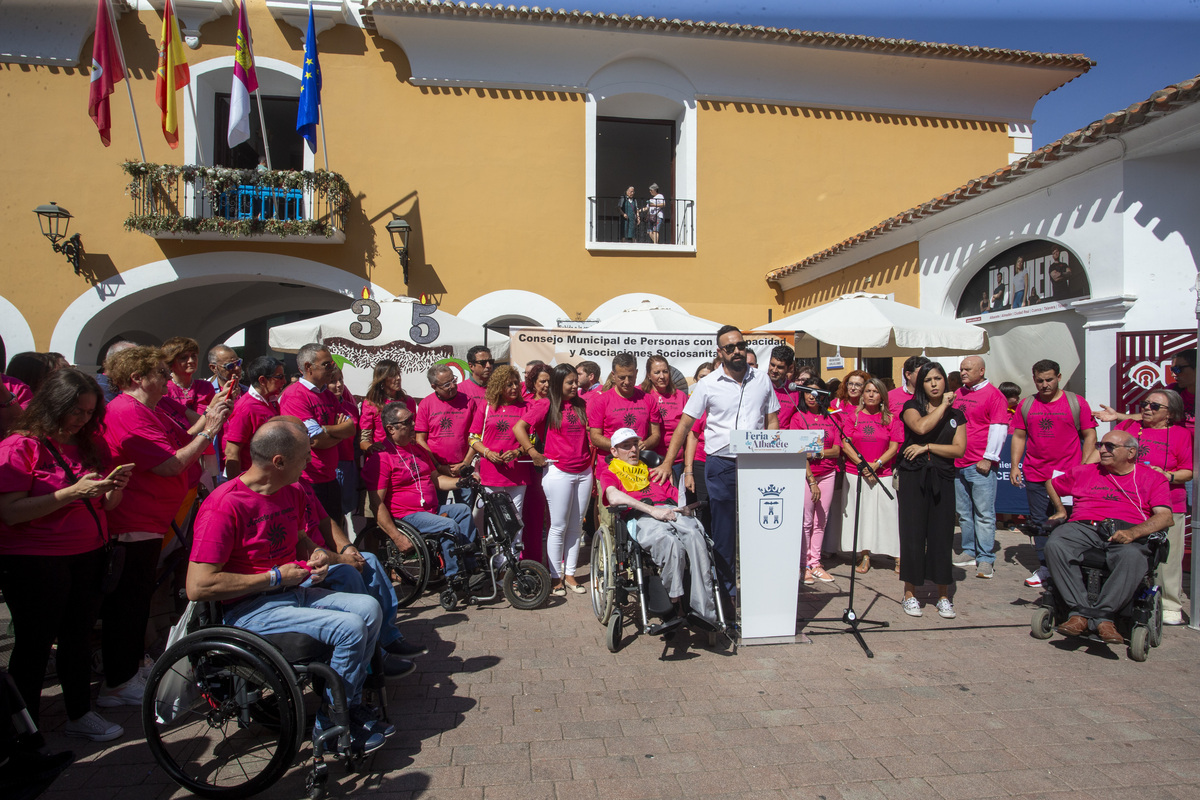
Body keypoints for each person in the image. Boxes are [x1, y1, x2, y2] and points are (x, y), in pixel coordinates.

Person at [187, 419, 390, 753]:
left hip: (292, 595)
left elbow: (300, 542)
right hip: (248, 610)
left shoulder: (291, 492)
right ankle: (334, 723)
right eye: (304, 457)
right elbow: (198, 586)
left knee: (368, 607)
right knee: (350, 626)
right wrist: (275, 577)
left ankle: (344, 706)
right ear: (279, 461)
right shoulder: (225, 506)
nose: (310, 463)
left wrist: (318, 560)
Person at [0, 369, 131, 741]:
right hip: (34, 560)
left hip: (87, 554)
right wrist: (71, 493)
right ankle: (25, 729)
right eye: (76, 410)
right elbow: (10, 511)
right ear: (53, 404)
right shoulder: (20, 446)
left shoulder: (87, 444)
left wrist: (113, 489)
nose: (82, 419)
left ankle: (79, 712)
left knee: (77, 637)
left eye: (89, 412)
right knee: (34, 644)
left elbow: (104, 504)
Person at [100, 346, 231, 709]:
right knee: (127, 605)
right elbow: (170, 464)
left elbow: (177, 443)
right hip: (132, 522)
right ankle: (117, 682)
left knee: (138, 600)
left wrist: (209, 418)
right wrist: (211, 431)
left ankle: (132, 668)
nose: (166, 378)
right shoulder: (127, 411)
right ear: (137, 378)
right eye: (159, 372)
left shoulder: (146, 409)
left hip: (149, 521)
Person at [651, 326, 780, 599]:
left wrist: (772, 455)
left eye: (740, 346)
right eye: (730, 348)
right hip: (721, 465)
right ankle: (726, 596)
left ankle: (761, 591)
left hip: (756, 465)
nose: (737, 351)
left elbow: (771, 421)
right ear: (720, 352)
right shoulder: (708, 385)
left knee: (759, 527)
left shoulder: (762, 380)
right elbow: (685, 425)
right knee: (723, 533)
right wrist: (668, 463)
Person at [1043, 431, 1173, 644]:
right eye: (1101, 445)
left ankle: (1104, 616)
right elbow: (1052, 483)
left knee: (1132, 557)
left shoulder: (1152, 478)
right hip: (1085, 526)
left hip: (1128, 529)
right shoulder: (1085, 472)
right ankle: (1079, 612)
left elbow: (1165, 517)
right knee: (1056, 543)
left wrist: (1133, 533)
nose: (1102, 450)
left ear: (1131, 452)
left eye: (1110, 446)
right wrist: (1060, 510)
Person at [600, 428, 717, 625]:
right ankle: (674, 599)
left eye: (635, 445)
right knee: (670, 542)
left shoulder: (653, 471)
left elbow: (675, 498)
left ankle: (703, 609)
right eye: (626, 447)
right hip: (643, 516)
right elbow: (613, 497)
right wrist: (652, 510)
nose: (633, 450)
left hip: (672, 513)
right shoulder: (611, 472)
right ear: (614, 451)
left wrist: (685, 508)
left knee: (696, 536)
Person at [363, 403, 477, 584]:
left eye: (412, 420)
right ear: (391, 428)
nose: (413, 425)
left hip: (430, 510)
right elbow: (377, 504)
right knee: (448, 525)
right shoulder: (381, 458)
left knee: (463, 510)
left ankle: (470, 567)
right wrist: (396, 536)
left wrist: (462, 482)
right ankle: (454, 576)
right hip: (407, 515)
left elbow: (437, 480)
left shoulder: (417, 449)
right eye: (407, 422)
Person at [1009, 359, 1098, 587]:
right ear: (1034, 380)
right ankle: (1045, 567)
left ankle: (1071, 566)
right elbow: (1019, 436)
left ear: (1059, 377)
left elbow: (1089, 435)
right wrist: (1015, 465)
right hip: (1036, 472)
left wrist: (1084, 467)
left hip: (1067, 476)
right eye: (1040, 380)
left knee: (1069, 521)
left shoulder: (1076, 403)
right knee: (1039, 522)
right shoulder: (1027, 405)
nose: (1045, 384)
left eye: (1049, 379)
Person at [1114, 389, 1192, 625]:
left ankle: (1169, 604)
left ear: (1171, 413)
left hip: (1168, 504)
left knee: (1168, 557)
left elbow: (1188, 471)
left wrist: (1166, 476)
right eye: (1145, 404)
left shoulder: (1180, 434)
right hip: (1132, 503)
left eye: (1155, 406)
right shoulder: (1129, 426)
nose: (1147, 408)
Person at [514, 364, 592, 596]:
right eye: (570, 382)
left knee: (576, 526)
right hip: (558, 472)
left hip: (584, 471)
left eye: (576, 381)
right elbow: (519, 428)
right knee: (557, 526)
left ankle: (570, 575)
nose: (575, 386)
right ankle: (555, 576)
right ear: (558, 384)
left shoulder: (581, 404)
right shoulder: (546, 404)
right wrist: (532, 452)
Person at [897, 363, 967, 618]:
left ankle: (943, 596)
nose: (934, 384)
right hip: (914, 477)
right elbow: (921, 428)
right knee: (913, 534)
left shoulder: (957, 415)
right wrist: (942, 409)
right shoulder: (911, 407)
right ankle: (909, 593)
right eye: (928, 380)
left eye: (938, 378)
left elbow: (959, 450)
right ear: (921, 384)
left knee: (941, 536)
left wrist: (928, 448)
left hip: (943, 477)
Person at [278, 343, 355, 518]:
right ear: (308, 367)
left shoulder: (327, 394)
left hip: (330, 477)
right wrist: (337, 432)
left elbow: (350, 428)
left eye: (332, 364)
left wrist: (326, 430)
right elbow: (315, 441)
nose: (332, 368)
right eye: (327, 365)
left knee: (336, 528)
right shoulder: (295, 395)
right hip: (308, 480)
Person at [951, 356, 1009, 579]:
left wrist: (989, 457)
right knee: (964, 513)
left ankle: (985, 558)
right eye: (961, 369)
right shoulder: (959, 394)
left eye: (968, 369)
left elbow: (999, 428)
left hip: (979, 463)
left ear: (981, 370)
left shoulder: (994, 395)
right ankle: (969, 550)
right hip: (958, 462)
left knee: (984, 513)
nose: (963, 372)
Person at [838, 377, 902, 573]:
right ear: (863, 395)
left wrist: (877, 464)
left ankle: (898, 556)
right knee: (861, 514)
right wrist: (862, 464)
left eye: (875, 391)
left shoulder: (891, 418)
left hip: (883, 473)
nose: (871, 395)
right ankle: (864, 555)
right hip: (856, 473)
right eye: (868, 391)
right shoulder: (852, 417)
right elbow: (845, 443)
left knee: (889, 513)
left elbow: (895, 446)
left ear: (882, 395)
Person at [467, 365, 531, 556]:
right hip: (491, 473)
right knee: (495, 521)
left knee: (516, 520)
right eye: (508, 384)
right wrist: (487, 453)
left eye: (515, 384)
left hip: (517, 474)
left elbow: (533, 439)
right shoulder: (486, 407)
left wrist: (518, 452)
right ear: (498, 386)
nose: (514, 388)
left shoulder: (526, 408)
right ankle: (498, 566)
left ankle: (513, 569)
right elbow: (473, 438)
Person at [789, 378, 841, 585]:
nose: (812, 396)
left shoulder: (832, 419)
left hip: (828, 473)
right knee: (806, 520)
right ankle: (803, 565)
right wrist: (811, 480)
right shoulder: (798, 418)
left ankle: (816, 562)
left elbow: (837, 450)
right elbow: (798, 452)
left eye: (816, 392)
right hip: (806, 474)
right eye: (807, 392)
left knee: (821, 520)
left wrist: (815, 453)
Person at [415, 365, 478, 501]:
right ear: (434, 386)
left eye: (454, 381)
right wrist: (438, 466)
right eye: (447, 384)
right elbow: (420, 439)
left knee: (465, 511)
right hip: (437, 471)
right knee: (438, 511)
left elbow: (476, 436)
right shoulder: (426, 404)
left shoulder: (469, 402)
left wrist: (466, 462)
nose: (453, 386)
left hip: (463, 469)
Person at [224, 356, 286, 479]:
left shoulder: (272, 401)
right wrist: (237, 489)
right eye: (279, 377)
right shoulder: (245, 408)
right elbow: (232, 452)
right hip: (252, 479)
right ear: (262, 380)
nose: (284, 381)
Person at [642, 356, 687, 480]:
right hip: (647, 459)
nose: (662, 376)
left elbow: (688, 433)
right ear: (649, 375)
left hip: (675, 460)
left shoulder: (681, 396)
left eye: (665, 371)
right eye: (657, 372)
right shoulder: (641, 394)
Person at [358, 360, 417, 449]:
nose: (398, 378)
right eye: (393, 375)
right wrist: (372, 448)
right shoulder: (371, 404)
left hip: (406, 455)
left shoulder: (409, 401)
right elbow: (364, 440)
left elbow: (414, 432)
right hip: (382, 456)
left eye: (398, 374)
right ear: (382, 379)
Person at [327, 368, 361, 518]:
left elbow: (356, 439)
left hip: (348, 465)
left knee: (344, 511)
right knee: (331, 512)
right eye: (333, 381)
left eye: (340, 380)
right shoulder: (324, 408)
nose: (339, 385)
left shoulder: (351, 408)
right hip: (330, 465)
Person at [161, 337, 216, 415]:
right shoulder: (164, 388)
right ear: (171, 362)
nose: (191, 361)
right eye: (184, 358)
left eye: (193, 356)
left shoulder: (206, 387)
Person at [767, 344, 801, 429]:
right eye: (772, 365)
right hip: (759, 438)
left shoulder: (794, 391)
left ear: (790, 368)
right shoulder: (759, 385)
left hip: (785, 439)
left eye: (780, 367)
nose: (774, 370)